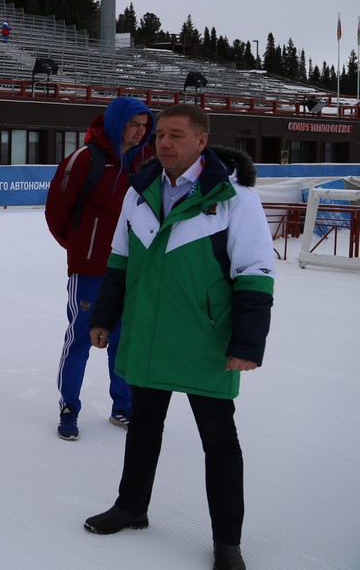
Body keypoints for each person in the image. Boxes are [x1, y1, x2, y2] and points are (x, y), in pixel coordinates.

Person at [83, 104, 274, 570]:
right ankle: (132, 507)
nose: (164, 143)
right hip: (148, 336)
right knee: (143, 428)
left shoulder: (236, 199)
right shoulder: (140, 190)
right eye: (160, 135)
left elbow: (255, 272)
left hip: (205, 341)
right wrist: (104, 316)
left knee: (220, 443)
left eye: (176, 135)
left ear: (202, 141)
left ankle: (227, 540)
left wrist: (247, 344)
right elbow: (119, 260)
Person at [44, 97, 154, 440]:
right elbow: (56, 213)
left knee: (124, 338)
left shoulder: (147, 162)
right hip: (90, 269)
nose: (139, 133)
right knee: (81, 338)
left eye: (143, 126)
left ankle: (122, 405)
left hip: (130, 268)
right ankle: (69, 407)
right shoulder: (84, 159)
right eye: (132, 125)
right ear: (116, 122)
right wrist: (82, 249)